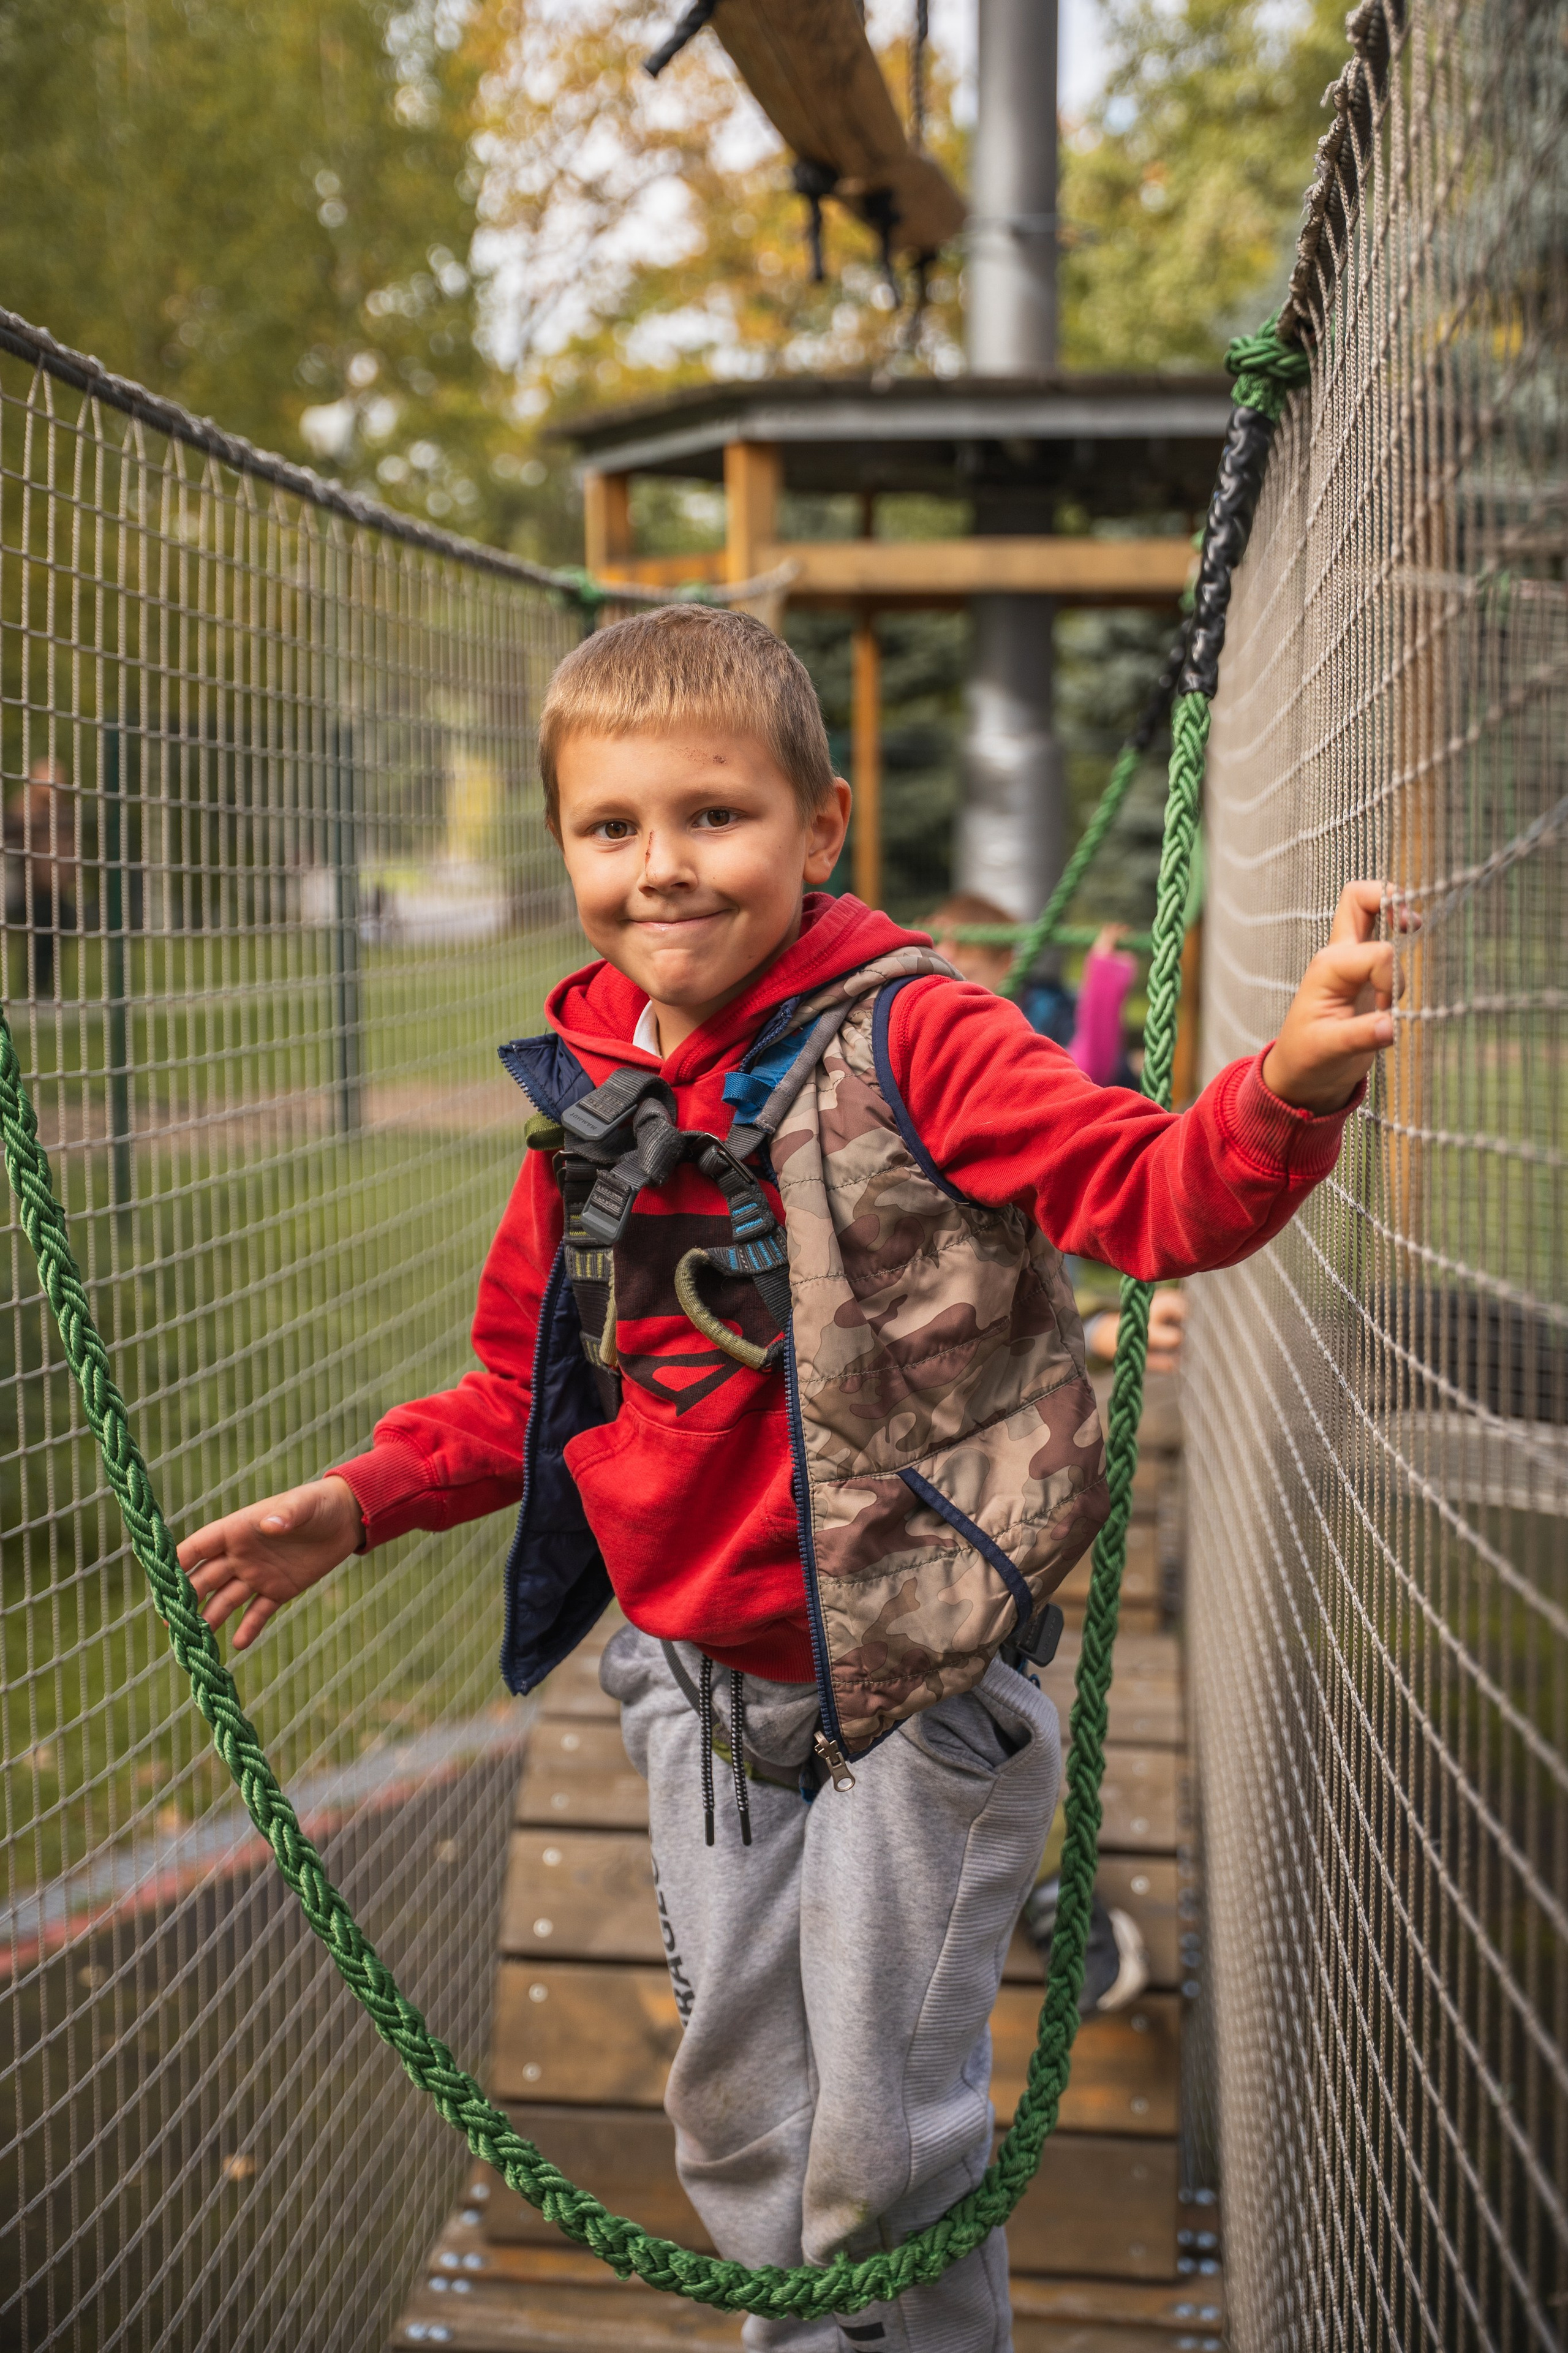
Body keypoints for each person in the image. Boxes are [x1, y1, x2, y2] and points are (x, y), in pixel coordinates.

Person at [179, 608, 1403, 2353]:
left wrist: (1282, 1088)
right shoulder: (593, 1093)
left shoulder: (920, 1040)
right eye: (612, 830)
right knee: (742, 2119)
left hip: (916, 1687)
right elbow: (525, 1385)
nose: (661, 870)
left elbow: (1152, 1197)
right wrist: (360, 1501)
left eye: (714, 816)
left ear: (820, 827)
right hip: (701, 1687)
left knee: (877, 2141)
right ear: (566, 850)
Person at [5, 761, 78, 997]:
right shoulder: (26, 808)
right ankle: (35, 990)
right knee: (37, 939)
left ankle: (47, 988)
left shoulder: (62, 811)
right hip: (32, 888)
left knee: (54, 938)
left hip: (57, 887)